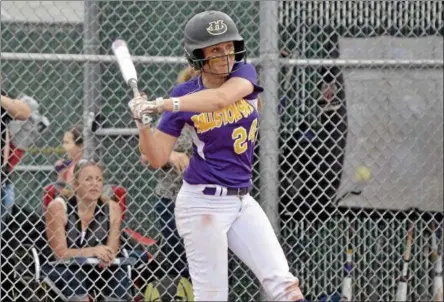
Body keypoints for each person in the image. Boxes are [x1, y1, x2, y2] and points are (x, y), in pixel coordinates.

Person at [127, 10, 304, 301]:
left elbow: (220, 99)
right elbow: (157, 158)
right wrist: (142, 123)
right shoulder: (184, 95)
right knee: (213, 296)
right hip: (202, 205)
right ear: (198, 56)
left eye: (228, 47)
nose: (226, 55)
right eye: (215, 50)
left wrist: (160, 104)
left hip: (241, 200)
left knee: (284, 285)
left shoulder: (243, 74)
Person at [44, 159, 131, 301]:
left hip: (96, 268)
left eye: (99, 179)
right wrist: (94, 251)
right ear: (75, 184)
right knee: (74, 274)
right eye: (88, 179)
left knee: (119, 274)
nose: (95, 184)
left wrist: (107, 255)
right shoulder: (59, 207)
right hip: (63, 267)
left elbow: (112, 250)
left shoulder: (112, 208)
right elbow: (60, 254)